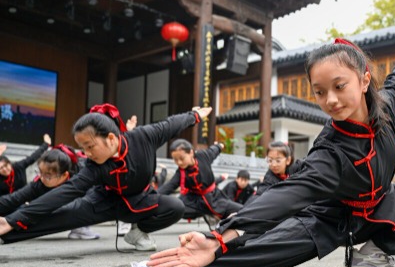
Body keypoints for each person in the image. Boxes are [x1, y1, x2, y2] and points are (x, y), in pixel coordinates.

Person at [107, 37, 395, 267]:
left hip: (379, 206)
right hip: (330, 219)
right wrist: (219, 237)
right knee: (260, 251)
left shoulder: (386, 107)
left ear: (365, 80)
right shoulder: (330, 153)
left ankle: (374, 255)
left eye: (339, 86)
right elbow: (287, 196)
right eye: (319, 91)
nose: (331, 100)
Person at [0, 103, 211, 251]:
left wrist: (194, 116)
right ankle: (5, 233)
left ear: (111, 138)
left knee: (175, 207)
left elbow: (172, 123)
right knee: (61, 215)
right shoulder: (94, 166)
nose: (87, 153)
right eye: (83, 148)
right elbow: (66, 191)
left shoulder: (145, 137)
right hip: (103, 202)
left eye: (90, 146)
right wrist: (12, 219)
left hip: (141, 199)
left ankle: (138, 232)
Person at [0, 144, 100, 240]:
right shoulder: (39, 184)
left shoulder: (82, 178)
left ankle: (81, 228)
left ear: (64, 175)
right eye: (40, 172)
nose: (42, 178)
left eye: (48, 176)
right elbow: (13, 199)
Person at [158, 139, 243, 229]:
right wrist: (153, 197)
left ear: (191, 152)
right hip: (194, 202)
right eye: (175, 160)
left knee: (241, 210)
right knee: (175, 207)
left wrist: (219, 146)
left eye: (182, 158)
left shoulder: (203, 156)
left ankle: (217, 218)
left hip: (215, 197)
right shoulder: (180, 173)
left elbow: (213, 150)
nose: (179, 162)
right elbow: (169, 187)